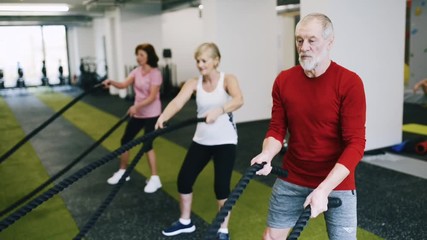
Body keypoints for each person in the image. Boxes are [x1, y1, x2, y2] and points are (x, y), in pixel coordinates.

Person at [250, 13, 366, 240]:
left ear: (330, 42)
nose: (304, 47)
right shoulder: (284, 81)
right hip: (292, 176)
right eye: (299, 40)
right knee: (271, 238)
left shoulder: (350, 82)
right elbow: (276, 129)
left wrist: (324, 189)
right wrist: (267, 153)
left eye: (312, 40)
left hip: (338, 181)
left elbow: (356, 144)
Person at [155, 42, 244, 240]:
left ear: (216, 61)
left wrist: (220, 110)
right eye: (198, 61)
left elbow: (238, 99)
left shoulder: (227, 79)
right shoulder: (193, 83)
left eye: (204, 60)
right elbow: (178, 102)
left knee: (221, 187)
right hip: (202, 140)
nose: (200, 64)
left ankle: (223, 230)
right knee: (184, 180)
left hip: (225, 141)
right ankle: (185, 221)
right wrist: (164, 116)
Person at [103, 43, 163, 193]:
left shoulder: (155, 73)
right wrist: (111, 82)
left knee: (147, 144)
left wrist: (137, 106)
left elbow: (152, 97)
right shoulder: (136, 71)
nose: (138, 58)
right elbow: (123, 85)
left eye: (142, 55)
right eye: (137, 54)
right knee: (126, 141)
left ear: (149, 56)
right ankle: (123, 172)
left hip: (152, 113)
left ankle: (155, 179)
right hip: (138, 113)